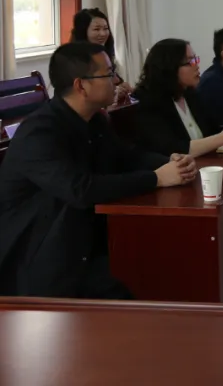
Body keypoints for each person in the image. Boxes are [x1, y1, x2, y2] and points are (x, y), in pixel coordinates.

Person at [0, 42, 196, 298]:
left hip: (82, 238)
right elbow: (80, 189)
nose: (116, 80)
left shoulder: (94, 120)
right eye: (108, 73)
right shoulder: (40, 133)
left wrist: (169, 161)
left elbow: (126, 157)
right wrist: (156, 178)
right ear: (81, 85)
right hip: (39, 257)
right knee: (138, 283)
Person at [131, 39, 223, 158]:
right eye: (189, 62)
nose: (196, 66)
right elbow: (172, 149)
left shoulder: (191, 94)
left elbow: (212, 129)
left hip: (206, 162)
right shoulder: (146, 102)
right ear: (169, 68)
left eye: (195, 59)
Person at [70, 8, 133, 102]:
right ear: (83, 32)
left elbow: (116, 81)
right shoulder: (74, 60)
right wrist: (112, 93)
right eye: (96, 29)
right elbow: (82, 95)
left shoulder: (104, 55)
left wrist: (122, 87)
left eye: (106, 28)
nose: (103, 33)